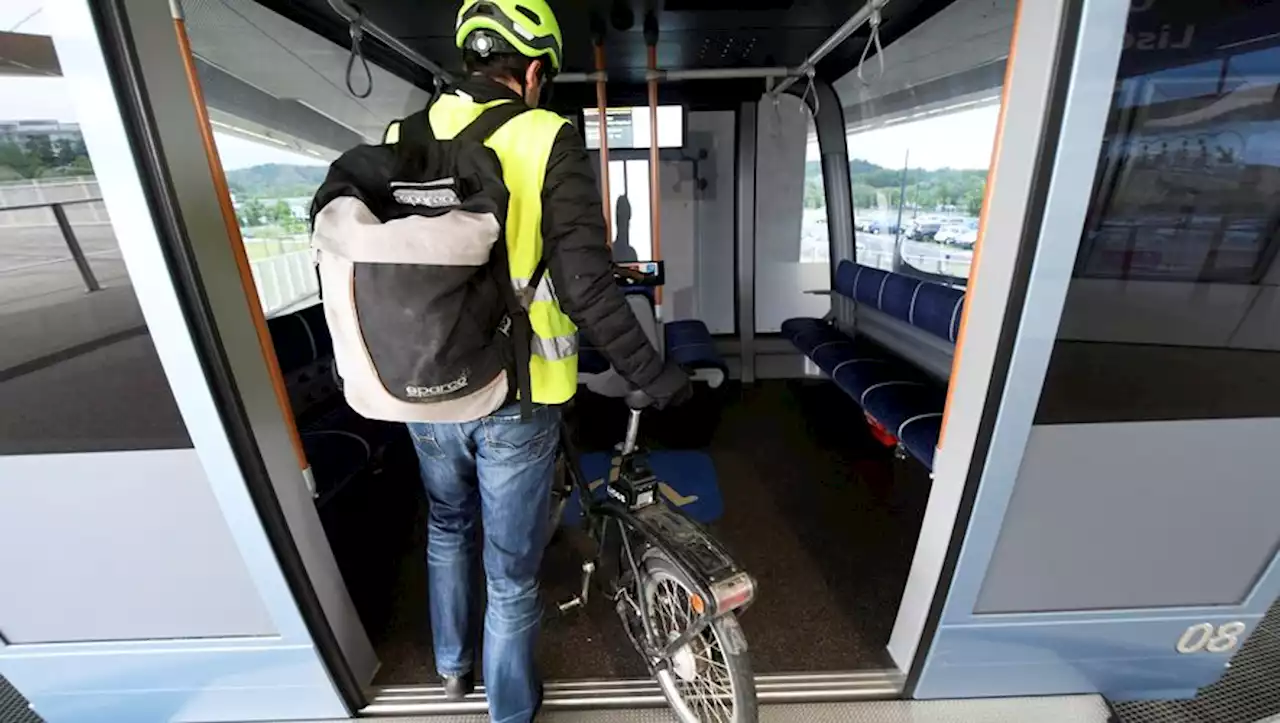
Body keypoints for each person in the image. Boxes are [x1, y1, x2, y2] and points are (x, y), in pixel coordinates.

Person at [403, 2, 692, 721]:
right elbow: (588, 287)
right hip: (515, 397)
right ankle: (509, 712)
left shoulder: (401, 134)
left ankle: (450, 669)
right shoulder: (545, 136)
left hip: (422, 386)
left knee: (446, 525)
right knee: (511, 576)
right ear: (533, 70)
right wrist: (654, 376)